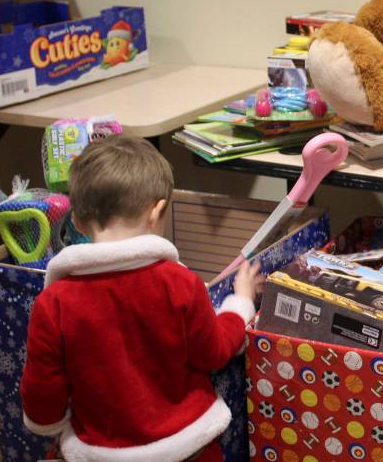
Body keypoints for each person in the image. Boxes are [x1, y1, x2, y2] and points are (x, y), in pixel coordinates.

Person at [20, 134, 264, 461]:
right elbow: (215, 350)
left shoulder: (53, 302)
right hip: (187, 447)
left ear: (75, 220)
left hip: (99, 450)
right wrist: (241, 303)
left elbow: (42, 394)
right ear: (157, 211)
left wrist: (51, 426)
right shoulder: (180, 282)